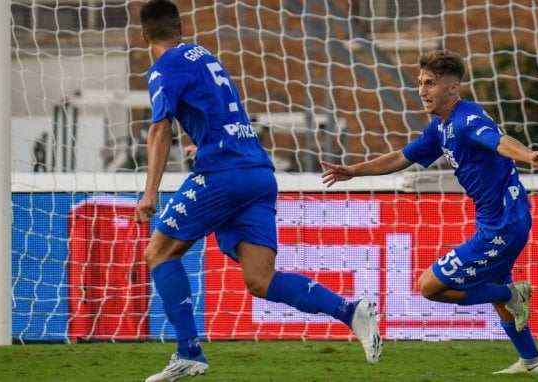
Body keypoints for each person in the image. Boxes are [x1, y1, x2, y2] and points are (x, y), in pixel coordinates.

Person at [135, 1, 381, 381]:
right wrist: (204, 144)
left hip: (224, 174)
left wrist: (150, 192)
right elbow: (221, 113)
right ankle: (352, 312)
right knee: (260, 280)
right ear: (180, 27)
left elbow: (159, 128)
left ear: (144, 35)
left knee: (159, 252)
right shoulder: (204, 57)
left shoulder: (163, 67)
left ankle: (188, 352)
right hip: (258, 173)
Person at [322, 49, 538, 375]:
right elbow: (399, 158)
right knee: (493, 289)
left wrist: (529, 156)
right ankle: (533, 360)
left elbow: (499, 141)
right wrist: (353, 170)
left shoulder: (466, 119)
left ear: (452, 88)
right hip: (503, 220)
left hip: (502, 227)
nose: (422, 90)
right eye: (421, 83)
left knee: (429, 287)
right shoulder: (441, 128)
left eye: (431, 83)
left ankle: (513, 293)